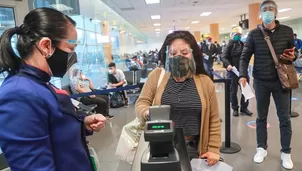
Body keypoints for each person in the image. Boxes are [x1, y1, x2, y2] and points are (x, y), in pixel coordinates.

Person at [0, 8, 106, 171]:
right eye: (71, 49)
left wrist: (82, 124)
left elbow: (52, 128)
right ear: (46, 45)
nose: (73, 56)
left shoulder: (40, 83)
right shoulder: (18, 94)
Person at [135, 30, 221, 166]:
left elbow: (214, 119)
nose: (179, 57)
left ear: (193, 54)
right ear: (167, 56)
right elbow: (142, 103)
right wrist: (147, 112)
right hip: (161, 146)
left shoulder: (205, 82)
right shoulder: (157, 76)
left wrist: (214, 149)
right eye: (173, 53)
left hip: (195, 149)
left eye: (184, 53)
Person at [239, 0, 295, 169]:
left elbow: (293, 53)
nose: (268, 13)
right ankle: (261, 148)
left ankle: (286, 152)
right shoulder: (254, 34)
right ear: (260, 14)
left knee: (284, 118)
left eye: (271, 10)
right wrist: (242, 75)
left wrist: (291, 55)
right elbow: (245, 55)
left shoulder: (287, 31)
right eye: (265, 10)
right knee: (261, 118)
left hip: (281, 82)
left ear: (276, 13)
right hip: (261, 81)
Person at [221, 26, 253, 117]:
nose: (238, 36)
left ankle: (244, 107)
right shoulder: (229, 45)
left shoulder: (242, 44)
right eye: (236, 35)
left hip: (243, 71)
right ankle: (235, 108)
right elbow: (223, 57)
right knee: (233, 91)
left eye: (239, 34)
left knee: (245, 90)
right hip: (233, 71)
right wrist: (228, 65)